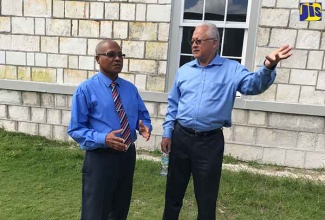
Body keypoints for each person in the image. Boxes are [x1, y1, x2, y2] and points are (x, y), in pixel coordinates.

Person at [161, 22, 292, 220]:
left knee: (206, 198)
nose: (194, 44)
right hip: (181, 138)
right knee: (173, 193)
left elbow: (253, 85)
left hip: (209, 143)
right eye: (192, 41)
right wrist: (167, 132)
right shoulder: (184, 70)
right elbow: (173, 104)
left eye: (199, 40)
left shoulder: (232, 69)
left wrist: (268, 67)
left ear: (214, 43)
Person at [67, 39, 152, 220]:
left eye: (120, 55)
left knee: (120, 209)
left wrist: (143, 125)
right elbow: (75, 129)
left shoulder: (130, 89)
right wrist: (103, 138)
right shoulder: (85, 90)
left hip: (127, 157)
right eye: (111, 54)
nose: (117, 58)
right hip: (100, 158)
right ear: (98, 59)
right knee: (95, 212)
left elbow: (142, 116)